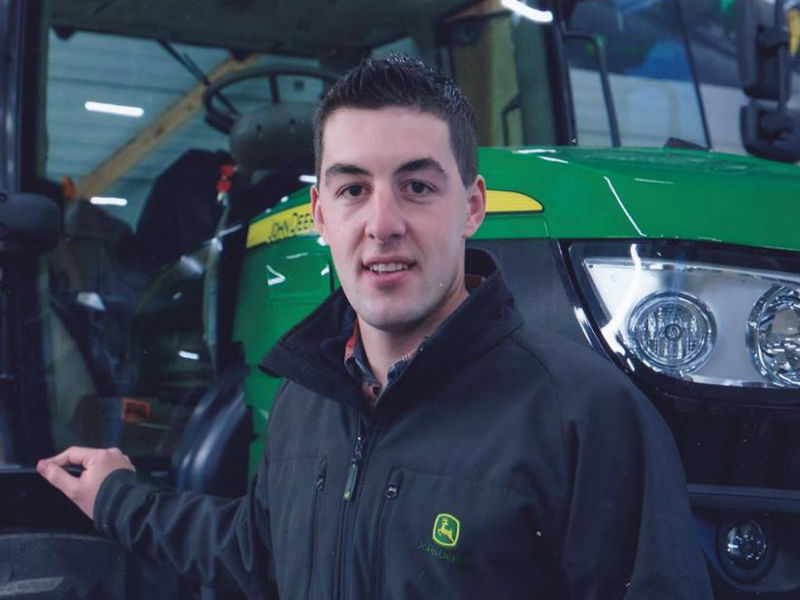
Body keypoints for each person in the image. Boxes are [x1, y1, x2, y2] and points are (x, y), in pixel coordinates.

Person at [37, 54, 713, 599]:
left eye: (417, 187)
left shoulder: (588, 419)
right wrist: (118, 497)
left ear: (472, 206)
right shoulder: (306, 401)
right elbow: (255, 551)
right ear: (321, 214)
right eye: (353, 189)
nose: (382, 224)